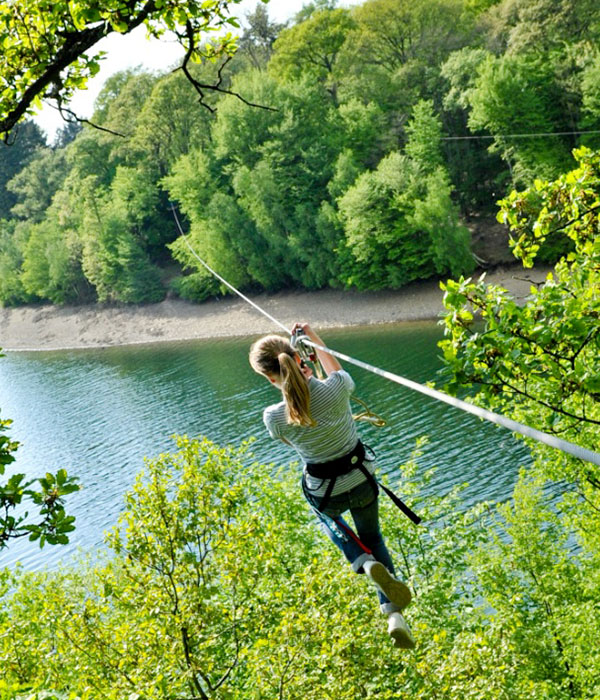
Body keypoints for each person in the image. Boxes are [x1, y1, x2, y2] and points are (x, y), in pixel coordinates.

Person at [249, 322, 415, 649]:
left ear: (270, 378)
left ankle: (362, 562)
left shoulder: (274, 417)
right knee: (374, 537)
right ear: (299, 358)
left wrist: (300, 373)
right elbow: (333, 367)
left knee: (330, 520)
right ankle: (394, 614)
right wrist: (312, 337)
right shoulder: (337, 387)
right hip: (362, 479)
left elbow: (292, 440)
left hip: (325, 490)